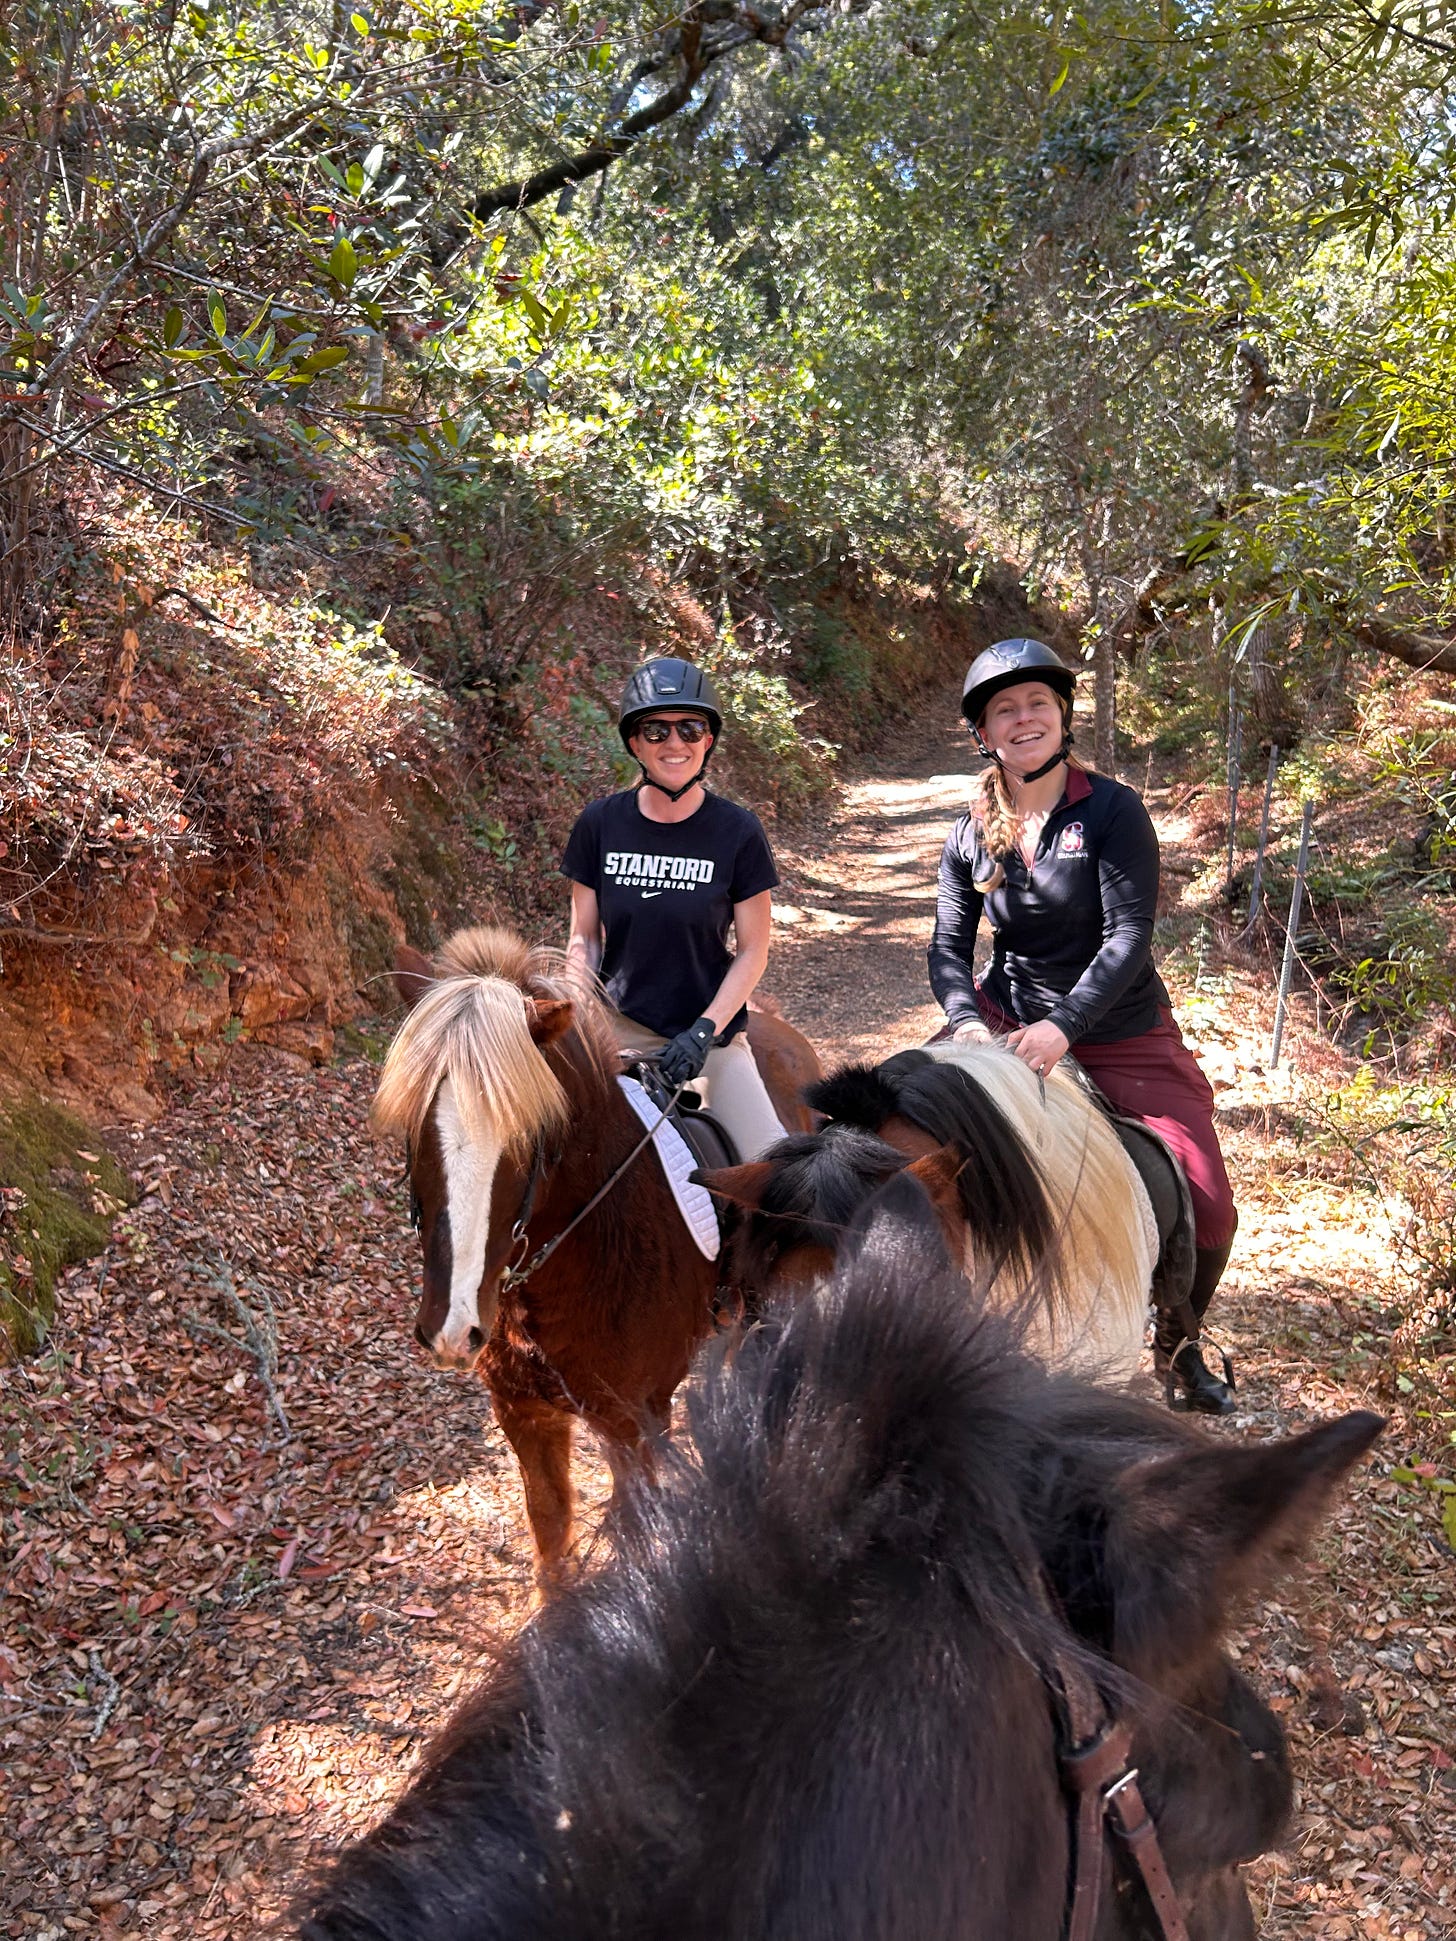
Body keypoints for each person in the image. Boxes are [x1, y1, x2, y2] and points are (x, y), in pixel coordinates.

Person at [927, 637, 1238, 1413]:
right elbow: (947, 946)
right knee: (892, 1135)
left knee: (1208, 1203)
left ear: (1062, 716)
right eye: (1005, 708)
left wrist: (1064, 1026)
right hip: (1002, 1019)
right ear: (984, 733)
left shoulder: (1109, 809)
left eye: (1036, 703)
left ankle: (1179, 1340)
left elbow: (1129, 937)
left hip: (1118, 1027)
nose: (1023, 717)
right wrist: (966, 1024)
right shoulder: (969, 833)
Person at [561, 657, 787, 1161]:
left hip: (709, 1036)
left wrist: (705, 1031)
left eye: (690, 728)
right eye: (656, 731)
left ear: (708, 741)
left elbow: (753, 951)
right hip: (618, 1031)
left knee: (773, 1173)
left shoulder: (738, 832)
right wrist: (580, 1017)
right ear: (634, 743)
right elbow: (585, 938)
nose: (675, 743)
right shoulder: (599, 825)